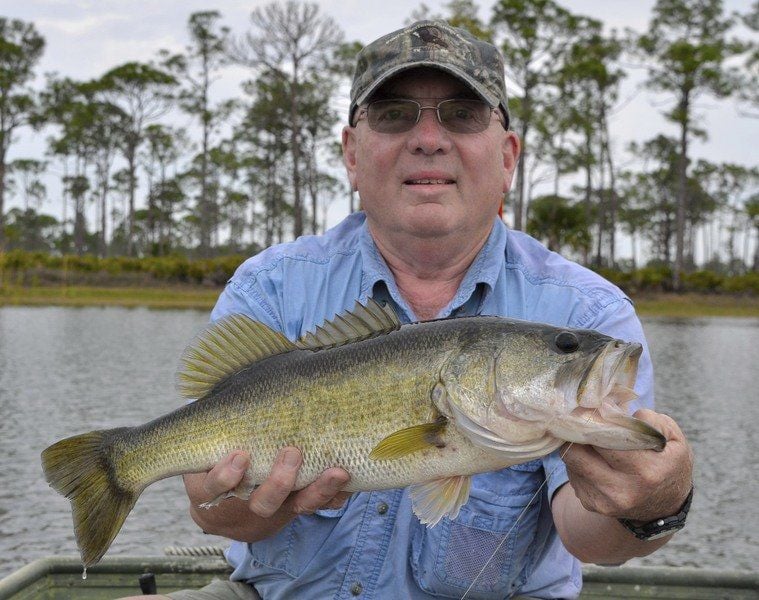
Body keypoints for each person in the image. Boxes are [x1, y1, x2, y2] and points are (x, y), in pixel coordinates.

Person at [124, 20, 693, 600]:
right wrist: (238, 506)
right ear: (351, 154)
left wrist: (654, 505)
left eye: (463, 114)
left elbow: (590, 536)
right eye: (395, 114)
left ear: (507, 157)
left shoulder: (587, 310)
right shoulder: (271, 287)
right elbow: (210, 505)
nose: (428, 138)